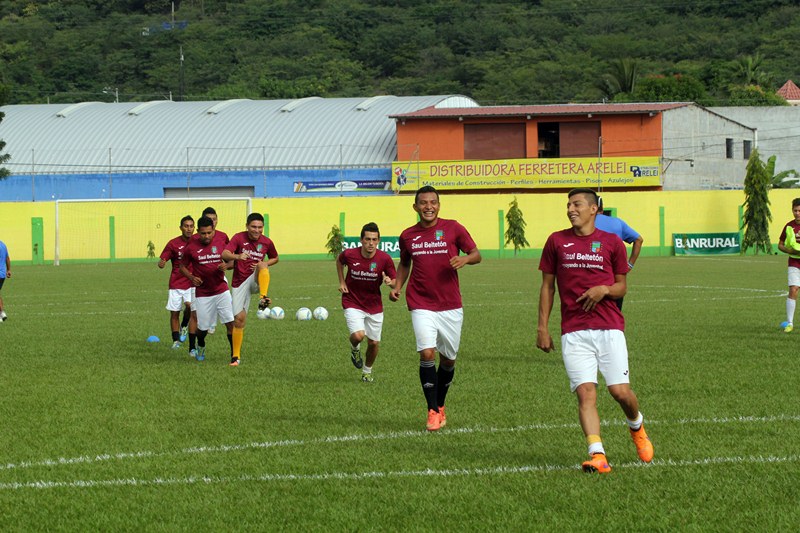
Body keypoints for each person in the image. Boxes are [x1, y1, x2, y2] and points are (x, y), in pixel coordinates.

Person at [536, 188, 653, 474]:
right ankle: (597, 454)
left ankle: (636, 427)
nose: (570, 209)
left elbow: (622, 285)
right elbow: (547, 286)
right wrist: (542, 327)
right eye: (568, 205)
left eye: (576, 204)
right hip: (573, 331)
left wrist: (605, 289)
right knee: (586, 393)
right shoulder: (556, 241)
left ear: (593, 210)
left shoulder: (612, 242)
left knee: (620, 392)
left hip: (609, 327)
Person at [389, 185, 481, 431]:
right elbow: (405, 264)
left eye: (433, 202)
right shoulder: (408, 235)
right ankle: (431, 411)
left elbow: (476, 253)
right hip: (420, 302)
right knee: (427, 353)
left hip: (450, 304)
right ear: (415, 207)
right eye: (423, 203)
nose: (428, 206)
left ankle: (440, 404)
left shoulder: (453, 228)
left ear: (439, 205)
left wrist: (465, 259)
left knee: (448, 359)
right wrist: (398, 285)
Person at [337, 222, 397, 382]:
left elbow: (395, 282)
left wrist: (389, 282)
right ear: (361, 240)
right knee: (358, 336)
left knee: (374, 343)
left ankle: (367, 372)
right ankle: (354, 348)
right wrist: (342, 282)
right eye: (368, 239)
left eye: (374, 239)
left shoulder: (385, 259)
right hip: (352, 301)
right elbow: (339, 261)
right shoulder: (350, 254)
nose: (371, 243)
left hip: (374, 305)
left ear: (379, 241)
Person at [221, 212, 278, 367]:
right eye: (253, 227)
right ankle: (236, 357)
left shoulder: (267, 242)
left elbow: (275, 257)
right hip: (240, 282)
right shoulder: (239, 238)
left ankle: (263, 297)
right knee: (238, 320)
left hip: (256, 278)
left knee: (262, 265)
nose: (257, 230)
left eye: (260, 227)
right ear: (247, 226)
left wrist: (265, 263)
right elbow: (225, 253)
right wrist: (238, 257)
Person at [180, 216, 234, 363]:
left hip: (221, 290)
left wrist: (227, 266)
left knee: (230, 322)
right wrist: (191, 277)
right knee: (202, 329)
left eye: (209, 233)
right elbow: (182, 266)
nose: (207, 236)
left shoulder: (221, 242)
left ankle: (234, 355)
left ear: (213, 230)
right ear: (198, 232)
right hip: (203, 294)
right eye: (203, 233)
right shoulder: (191, 246)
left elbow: (232, 261)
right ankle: (201, 344)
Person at [594, 196, 643, 310]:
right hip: (615, 278)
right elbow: (639, 240)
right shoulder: (617, 222)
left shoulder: (586, 223)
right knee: (614, 314)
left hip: (592, 273)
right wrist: (629, 264)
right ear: (602, 208)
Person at [158, 215, 198, 353]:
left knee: (190, 308)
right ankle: (175, 340)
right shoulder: (173, 243)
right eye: (186, 226)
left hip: (192, 283)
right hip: (176, 283)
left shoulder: (198, 242)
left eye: (191, 226)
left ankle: (185, 325)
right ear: (181, 227)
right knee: (174, 313)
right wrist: (162, 263)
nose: (189, 229)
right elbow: (163, 259)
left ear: (194, 228)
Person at [196, 206, 230, 334]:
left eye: (214, 219)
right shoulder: (196, 238)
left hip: (218, 277)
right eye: (209, 219)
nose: (212, 222)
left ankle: (213, 323)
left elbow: (229, 254)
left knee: (224, 302)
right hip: (200, 282)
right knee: (196, 311)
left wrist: (227, 264)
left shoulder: (222, 236)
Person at [777, 198, 800, 333]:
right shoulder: (789, 226)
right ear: (792, 211)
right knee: (793, 289)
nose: (797, 213)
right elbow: (780, 244)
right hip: (794, 262)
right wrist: (789, 251)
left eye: (799, 211)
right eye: (795, 211)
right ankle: (790, 323)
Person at [0, 239, 10, 321]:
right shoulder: (3, 245)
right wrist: (8, 270)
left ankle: (1, 314)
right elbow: (7, 258)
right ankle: (2, 313)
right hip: (2, 274)